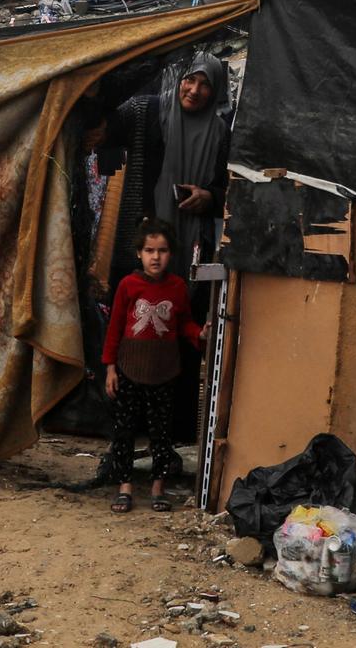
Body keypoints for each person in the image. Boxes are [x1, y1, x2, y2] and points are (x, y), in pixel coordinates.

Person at [100, 218, 203, 512]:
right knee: (125, 430)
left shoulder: (177, 287)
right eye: (149, 250)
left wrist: (201, 334)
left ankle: (159, 488)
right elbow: (115, 327)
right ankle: (125, 486)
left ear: (171, 254)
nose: (155, 257)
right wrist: (110, 368)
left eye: (162, 250)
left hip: (165, 370)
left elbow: (184, 324)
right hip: (129, 367)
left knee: (161, 433)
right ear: (139, 253)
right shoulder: (128, 285)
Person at [107, 51, 231, 282]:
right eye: (190, 79)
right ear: (178, 78)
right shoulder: (144, 111)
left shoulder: (222, 135)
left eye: (205, 85)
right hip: (142, 243)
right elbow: (102, 130)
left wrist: (210, 198)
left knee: (185, 308)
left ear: (214, 91)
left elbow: (232, 194)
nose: (194, 90)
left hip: (193, 246)